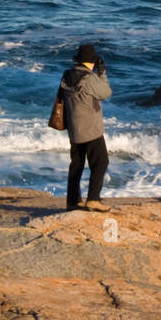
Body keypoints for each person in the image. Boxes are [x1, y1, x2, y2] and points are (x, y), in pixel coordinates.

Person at [58, 44, 113, 212]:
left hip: (74, 128)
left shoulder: (66, 76)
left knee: (77, 164)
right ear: (93, 62)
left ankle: (73, 201)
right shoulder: (89, 79)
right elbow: (106, 93)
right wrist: (102, 74)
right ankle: (93, 199)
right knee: (101, 162)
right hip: (91, 129)